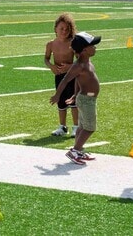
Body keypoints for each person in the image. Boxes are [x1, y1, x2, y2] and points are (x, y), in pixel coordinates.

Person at [50, 31, 101, 165]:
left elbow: (78, 82)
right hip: (86, 101)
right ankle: (75, 151)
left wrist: (74, 94)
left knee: (82, 126)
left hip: (85, 99)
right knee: (90, 127)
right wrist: (57, 95)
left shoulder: (87, 62)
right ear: (84, 50)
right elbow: (66, 80)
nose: (95, 48)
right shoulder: (79, 65)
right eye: (93, 45)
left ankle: (77, 150)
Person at [45, 13, 79, 136]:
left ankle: (76, 127)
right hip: (59, 76)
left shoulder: (73, 43)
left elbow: (80, 60)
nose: (64, 31)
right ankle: (62, 127)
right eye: (61, 29)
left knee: (73, 102)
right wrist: (51, 67)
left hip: (72, 76)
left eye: (66, 29)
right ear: (55, 29)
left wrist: (70, 67)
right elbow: (46, 59)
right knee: (60, 101)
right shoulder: (51, 44)